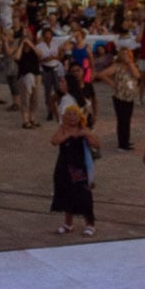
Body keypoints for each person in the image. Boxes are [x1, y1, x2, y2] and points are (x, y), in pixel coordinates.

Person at [49, 97, 98, 237]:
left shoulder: (83, 129)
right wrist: (69, 134)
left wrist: (87, 134)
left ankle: (90, 224)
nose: (72, 117)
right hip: (64, 166)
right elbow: (54, 141)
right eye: (69, 114)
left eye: (74, 114)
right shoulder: (63, 129)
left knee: (84, 195)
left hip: (78, 168)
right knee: (65, 193)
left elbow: (96, 144)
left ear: (79, 116)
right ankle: (68, 223)